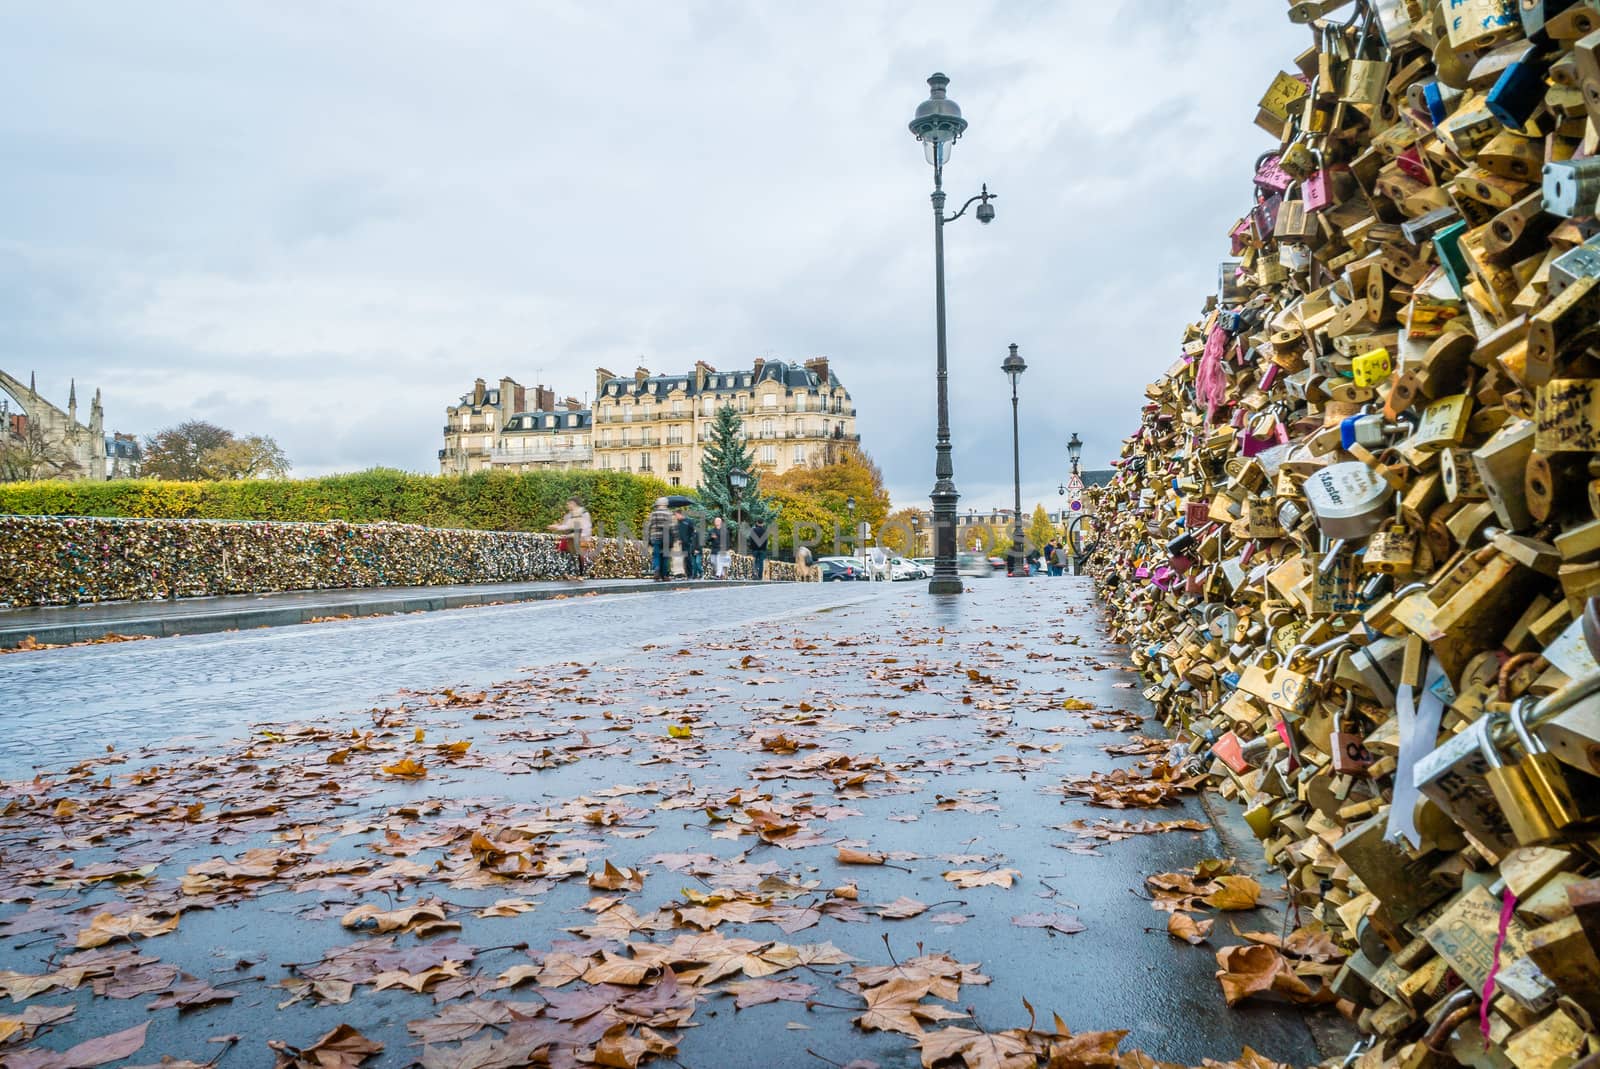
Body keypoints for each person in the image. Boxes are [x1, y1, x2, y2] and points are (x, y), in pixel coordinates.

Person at [549, 497, 593, 577]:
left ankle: (581, 574)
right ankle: (569, 572)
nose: (567, 506)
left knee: (580, 556)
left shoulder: (584, 513)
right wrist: (557, 527)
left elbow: (587, 528)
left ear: (574, 503)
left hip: (580, 537)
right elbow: (567, 526)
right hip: (572, 537)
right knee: (566, 552)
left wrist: (582, 537)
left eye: (568, 504)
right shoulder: (570, 515)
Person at [647, 498, 673, 581]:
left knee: (656, 555)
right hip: (666, 538)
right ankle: (665, 575)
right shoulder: (669, 513)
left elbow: (648, 526)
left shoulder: (653, 514)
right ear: (665, 504)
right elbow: (672, 527)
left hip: (655, 537)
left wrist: (648, 538)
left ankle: (657, 569)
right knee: (665, 557)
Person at [675, 509, 698, 579]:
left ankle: (690, 574)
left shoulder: (689, 521)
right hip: (678, 544)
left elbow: (693, 532)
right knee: (679, 559)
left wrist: (689, 540)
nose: (676, 516)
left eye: (676, 515)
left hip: (687, 544)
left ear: (680, 514)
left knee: (687, 559)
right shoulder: (677, 522)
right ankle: (680, 574)